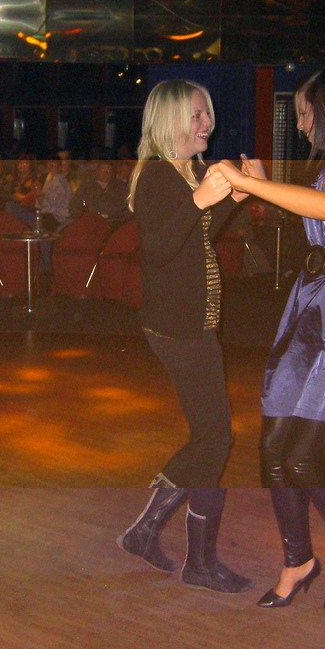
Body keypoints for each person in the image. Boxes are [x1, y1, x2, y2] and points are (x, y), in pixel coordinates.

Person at [209, 64, 325, 610]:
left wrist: (250, 183)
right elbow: (318, 219)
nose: (302, 124)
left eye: (306, 113)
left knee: (302, 458)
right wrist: (263, 183)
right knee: (271, 449)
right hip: (311, 305)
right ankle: (297, 560)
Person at [116, 79, 256, 594]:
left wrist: (234, 197)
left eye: (208, 113)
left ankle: (146, 532)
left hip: (189, 321)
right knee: (215, 438)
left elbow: (198, 234)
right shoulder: (157, 174)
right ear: (170, 120)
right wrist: (201, 199)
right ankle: (197, 562)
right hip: (178, 326)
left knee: (209, 436)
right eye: (197, 115)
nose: (207, 124)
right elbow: (157, 248)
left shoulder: (187, 171)